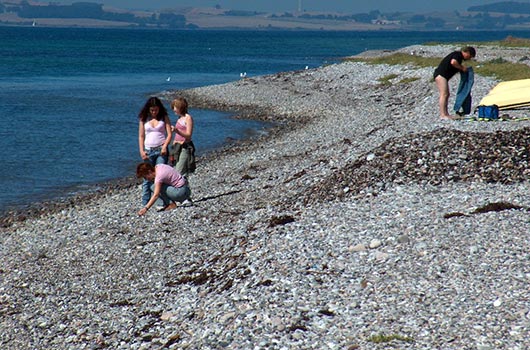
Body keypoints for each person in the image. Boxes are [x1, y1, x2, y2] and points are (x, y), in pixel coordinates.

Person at [138, 97, 172, 206]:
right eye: (152, 110)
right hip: (148, 151)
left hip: (161, 149)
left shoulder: (164, 117)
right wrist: (141, 151)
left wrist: (165, 146)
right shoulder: (144, 119)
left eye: (156, 110)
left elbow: (169, 134)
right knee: (147, 178)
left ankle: (162, 202)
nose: (154, 112)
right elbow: (141, 136)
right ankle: (145, 203)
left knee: (160, 176)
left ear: (159, 109)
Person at [433, 46, 476, 120]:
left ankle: (445, 114)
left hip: (442, 76)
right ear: (467, 52)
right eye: (470, 56)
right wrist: (462, 68)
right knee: (444, 94)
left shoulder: (458, 56)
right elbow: (453, 62)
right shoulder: (458, 55)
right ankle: (443, 115)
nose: (469, 58)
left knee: (446, 94)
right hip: (440, 75)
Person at [169, 97, 195, 177]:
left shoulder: (188, 118)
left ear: (181, 107)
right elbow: (177, 134)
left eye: (175, 107)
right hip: (177, 147)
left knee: (179, 172)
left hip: (185, 147)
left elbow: (188, 135)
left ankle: (182, 188)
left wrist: (177, 131)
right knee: (176, 169)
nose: (174, 109)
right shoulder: (180, 118)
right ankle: (185, 189)